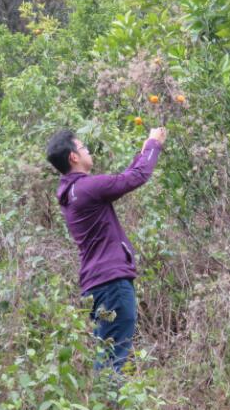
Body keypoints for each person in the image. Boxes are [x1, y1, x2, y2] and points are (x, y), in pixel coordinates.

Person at [46, 126, 166, 374]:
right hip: (112, 284)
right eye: (83, 147)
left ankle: (101, 398)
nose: (88, 151)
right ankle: (105, 400)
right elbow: (137, 177)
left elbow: (128, 176)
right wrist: (154, 145)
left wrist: (144, 150)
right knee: (112, 362)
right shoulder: (87, 188)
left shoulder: (72, 193)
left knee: (107, 356)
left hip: (96, 286)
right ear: (73, 157)